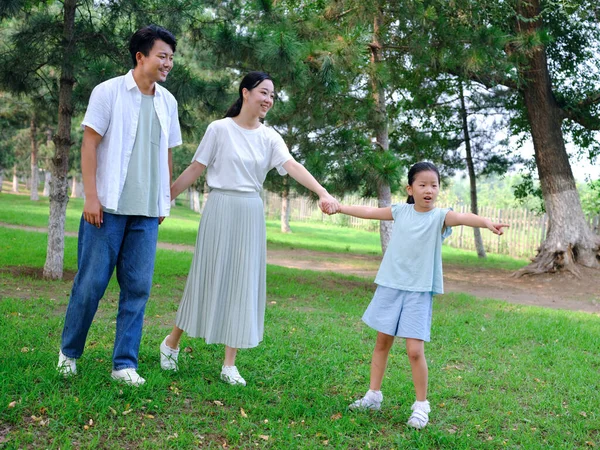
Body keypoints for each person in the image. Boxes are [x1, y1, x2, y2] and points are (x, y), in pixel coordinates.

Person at [159, 71, 339, 386]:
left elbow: (293, 166)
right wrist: (165, 200)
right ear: (246, 93)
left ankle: (229, 364)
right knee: (205, 276)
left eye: (272, 95)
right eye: (264, 92)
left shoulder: (270, 137)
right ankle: (171, 342)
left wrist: (321, 191)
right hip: (219, 208)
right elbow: (196, 168)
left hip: (250, 213)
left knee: (243, 283)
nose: (269, 99)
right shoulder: (219, 129)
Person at [338, 161, 508, 429]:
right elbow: (370, 211)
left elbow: (464, 218)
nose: (429, 190)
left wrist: (486, 222)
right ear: (410, 188)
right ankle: (373, 395)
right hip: (391, 286)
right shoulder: (400, 212)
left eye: (434, 185)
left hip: (418, 292)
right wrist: (339, 206)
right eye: (423, 185)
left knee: (415, 351)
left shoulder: (440, 217)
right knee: (382, 342)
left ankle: (421, 406)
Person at [56, 25, 182, 386]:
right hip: (107, 208)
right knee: (90, 284)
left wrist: (164, 199)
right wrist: (91, 197)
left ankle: (124, 364)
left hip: (146, 212)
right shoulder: (108, 91)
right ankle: (69, 353)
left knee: (138, 289)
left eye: (171, 57)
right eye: (162, 55)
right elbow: (89, 144)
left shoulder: (168, 102)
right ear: (140, 56)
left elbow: (167, 155)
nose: (168, 63)